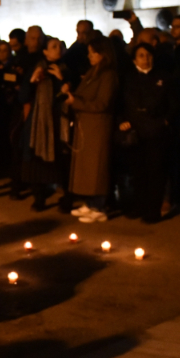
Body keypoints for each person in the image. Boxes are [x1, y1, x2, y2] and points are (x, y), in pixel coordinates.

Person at [117, 42, 177, 223]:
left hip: (156, 132)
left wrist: (165, 121)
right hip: (135, 132)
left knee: (156, 172)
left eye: (148, 55)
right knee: (138, 173)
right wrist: (122, 121)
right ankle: (139, 206)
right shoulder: (127, 78)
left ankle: (153, 210)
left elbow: (173, 103)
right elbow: (120, 103)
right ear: (134, 59)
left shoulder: (163, 77)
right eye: (141, 55)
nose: (145, 59)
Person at [18, 37, 75, 212]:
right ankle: (39, 197)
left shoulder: (67, 68)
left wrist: (61, 79)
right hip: (38, 123)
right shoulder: (37, 68)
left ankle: (67, 198)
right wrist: (32, 81)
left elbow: (70, 94)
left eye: (60, 46)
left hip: (59, 121)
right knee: (36, 160)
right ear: (45, 51)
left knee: (62, 161)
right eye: (54, 46)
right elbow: (23, 97)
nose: (58, 49)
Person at [67, 37, 119, 223]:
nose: (89, 56)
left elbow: (102, 103)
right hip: (86, 125)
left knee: (97, 167)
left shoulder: (108, 75)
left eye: (92, 53)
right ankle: (90, 203)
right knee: (87, 168)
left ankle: (99, 206)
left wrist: (77, 102)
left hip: (98, 126)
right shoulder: (93, 72)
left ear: (102, 54)